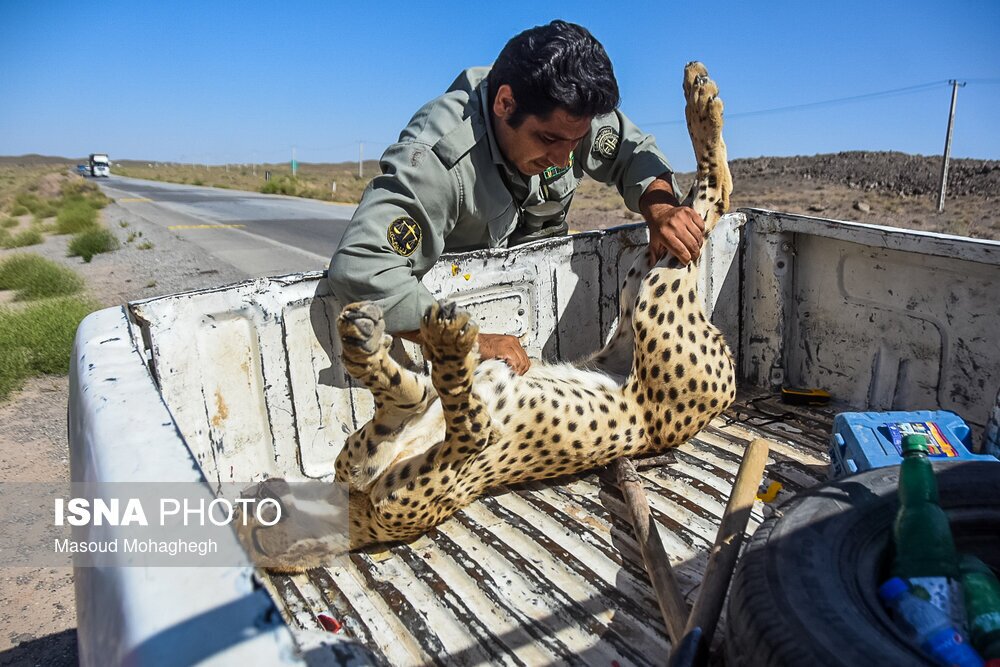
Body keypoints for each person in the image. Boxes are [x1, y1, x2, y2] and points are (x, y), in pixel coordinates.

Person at [328, 20, 705, 375]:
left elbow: (635, 152)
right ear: (505, 104)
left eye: (575, 142)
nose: (562, 157)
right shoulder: (438, 161)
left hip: (536, 321)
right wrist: (468, 341)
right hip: (456, 323)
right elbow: (362, 269)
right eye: (548, 140)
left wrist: (661, 209)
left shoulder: (567, 115)